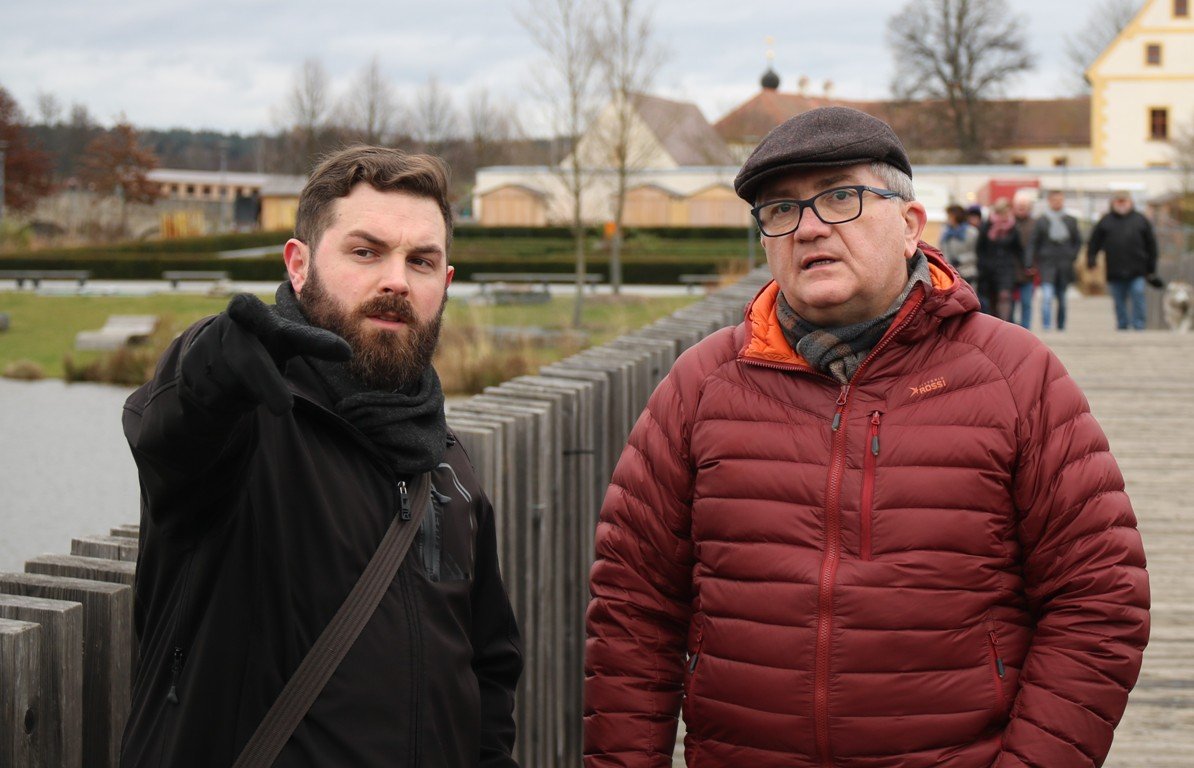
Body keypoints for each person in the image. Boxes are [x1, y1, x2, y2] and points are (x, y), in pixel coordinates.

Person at [584, 107, 1148, 767]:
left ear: (910, 226)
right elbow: (633, 608)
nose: (810, 227)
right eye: (781, 210)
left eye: (840, 198)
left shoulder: (1015, 377)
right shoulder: (702, 385)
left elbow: (1099, 599)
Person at [121, 146, 522, 767]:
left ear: (444, 285)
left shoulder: (446, 464)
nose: (396, 280)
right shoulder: (245, 426)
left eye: (421, 261)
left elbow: (488, 670)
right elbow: (173, 429)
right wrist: (209, 361)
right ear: (298, 264)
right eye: (365, 252)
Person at [1087, 191, 1160, 331]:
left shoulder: (1141, 220)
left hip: (1138, 269)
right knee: (1119, 301)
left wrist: (1151, 268)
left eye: (1124, 201)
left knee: (1138, 294)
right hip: (1114, 269)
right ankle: (1122, 326)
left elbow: (1151, 245)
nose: (1121, 204)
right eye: (1118, 201)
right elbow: (1094, 242)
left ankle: (1139, 325)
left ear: (1130, 202)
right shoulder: (1106, 220)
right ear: (1113, 203)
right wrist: (1092, 259)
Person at [1030, 190, 1083, 331]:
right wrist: (1031, 261)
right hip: (1047, 264)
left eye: (1060, 200)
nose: (1057, 203)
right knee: (1047, 296)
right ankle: (1046, 326)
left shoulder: (1071, 220)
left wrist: (1072, 255)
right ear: (1049, 201)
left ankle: (1061, 327)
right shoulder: (1041, 221)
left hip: (1064, 264)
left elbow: (1077, 241)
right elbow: (1034, 242)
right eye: (1055, 200)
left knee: (1062, 299)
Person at [976, 197, 1024, 321]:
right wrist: (983, 264)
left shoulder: (1013, 227)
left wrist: (1024, 267)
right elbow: (980, 247)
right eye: (1003, 212)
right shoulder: (987, 225)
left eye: (1007, 211)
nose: (1005, 215)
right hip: (988, 269)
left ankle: (1005, 324)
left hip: (1007, 268)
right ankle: (994, 326)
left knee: (1005, 296)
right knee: (992, 299)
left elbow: (1018, 249)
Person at [1011, 193, 1038, 329]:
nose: (1021, 209)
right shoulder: (1008, 223)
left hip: (1029, 271)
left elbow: (1038, 247)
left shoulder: (1035, 224)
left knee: (1026, 303)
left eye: (1024, 206)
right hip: (1011, 270)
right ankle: (1013, 330)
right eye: (1019, 206)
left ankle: (1026, 330)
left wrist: (1035, 265)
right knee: (1010, 304)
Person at [939, 203, 978, 285]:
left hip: (967, 273)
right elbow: (941, 250)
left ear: (956, 216)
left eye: (949, 216)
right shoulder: (945, 232)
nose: (947, 218)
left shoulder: (972, 232)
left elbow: (976, 253)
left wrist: (960, 260)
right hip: (950, 274)